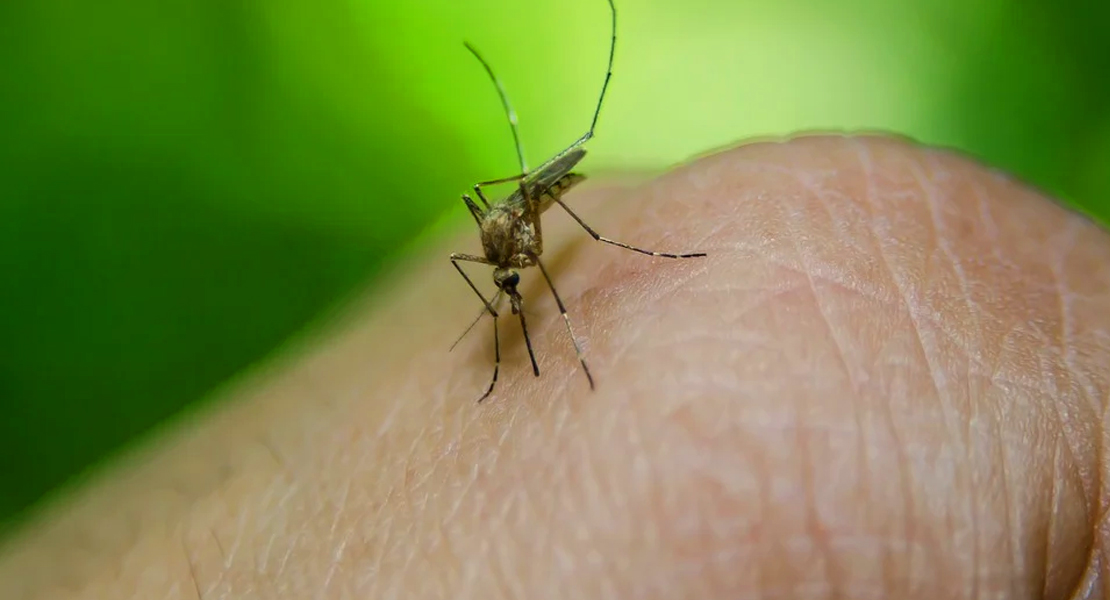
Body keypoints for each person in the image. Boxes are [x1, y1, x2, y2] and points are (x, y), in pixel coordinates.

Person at [1, 135, 1106, 599]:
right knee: (482, 255)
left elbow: (518, 225)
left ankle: (615, 262)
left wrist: (561, 269)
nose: (507, 263)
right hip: (514, 223)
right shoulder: (495, 251)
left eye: (514, 263)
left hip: (545, 200)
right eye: (511, 267)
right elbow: (487, 251)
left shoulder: (530, 223)